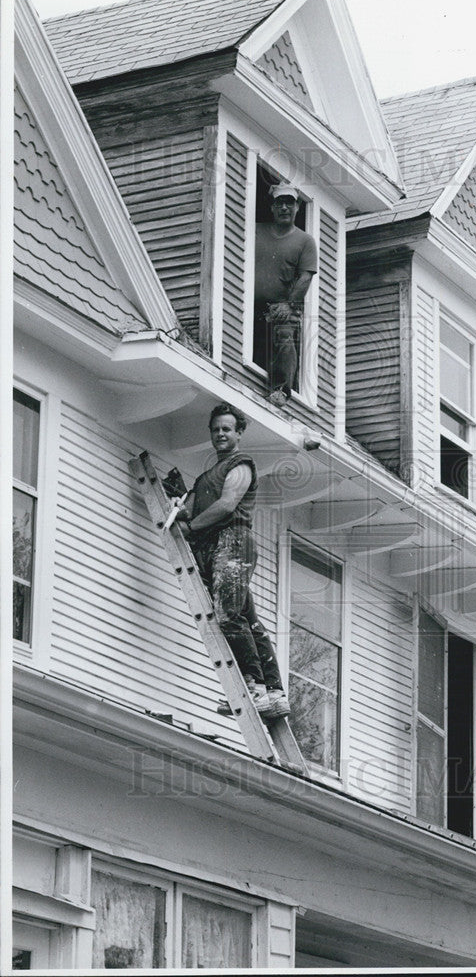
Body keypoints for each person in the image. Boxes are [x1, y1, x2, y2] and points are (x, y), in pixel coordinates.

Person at [175, 403, 290, 720]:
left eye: (227, 428)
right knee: (247, 620)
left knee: (227, 616)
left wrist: (193, 526)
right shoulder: (203, 478)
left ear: (238, 433)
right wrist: (179, 505)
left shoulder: (241, 465)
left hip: (233, 541)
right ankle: (275, 692)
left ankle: (254, 685)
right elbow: (188, 510)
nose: (220, 434)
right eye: (216, 429)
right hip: (214, 549)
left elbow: (226, 505)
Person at [254, 183, 317, 406]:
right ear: (272, 207)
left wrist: (289, 305)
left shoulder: (305, 241)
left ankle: (281, 390)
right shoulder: (256, 231)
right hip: (252, 305)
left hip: (281, 307)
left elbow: (305, 277)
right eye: (279, 203)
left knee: (284, 336)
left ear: (297, 207)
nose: (284, 207)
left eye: (289, 203)